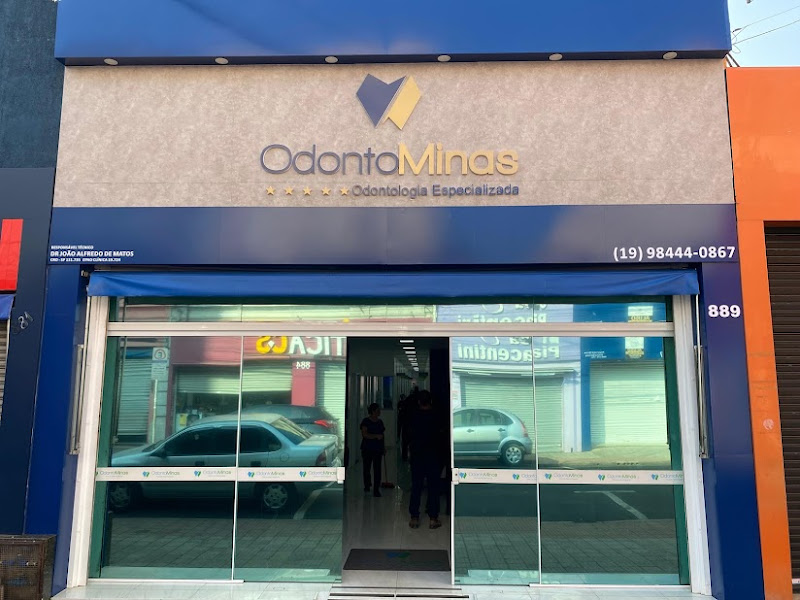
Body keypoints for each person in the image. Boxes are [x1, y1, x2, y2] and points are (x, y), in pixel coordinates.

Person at [408, 390, 444, 529]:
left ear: (418, 402)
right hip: (433, 456)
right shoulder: (437, 415)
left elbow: (409, 435)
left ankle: (414, 518)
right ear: (430, 401)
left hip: (417, 456)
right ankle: (433, 518)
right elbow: (441, 435)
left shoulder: (414, 415)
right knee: (433, 487)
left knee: (416, 486)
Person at [360, 402, 385, 497]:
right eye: (378, 410)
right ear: (373, 411)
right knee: (367, 468)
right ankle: (367, 485)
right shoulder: (365, 421)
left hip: (377, 449)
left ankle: (376, 489)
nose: (379, 412)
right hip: (367, 448)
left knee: (377, 469)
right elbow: (364, 434)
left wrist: (383, 447)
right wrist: (375, 436)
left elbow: (382, 435)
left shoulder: (380, 422)